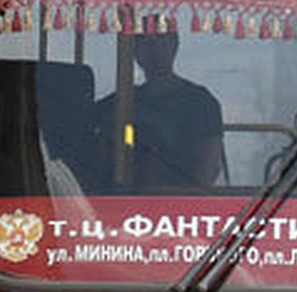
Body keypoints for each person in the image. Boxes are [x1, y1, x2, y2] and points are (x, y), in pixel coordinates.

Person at [96, 29, 225, 189]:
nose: (154, 50)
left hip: (179, 204)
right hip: (123, 202)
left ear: (174, 46)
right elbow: (83, 125)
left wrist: (187, 202)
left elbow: (209, 166)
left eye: (161, 41)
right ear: (135, 52)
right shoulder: (120, 101)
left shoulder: (201, 102)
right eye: (147, 43)